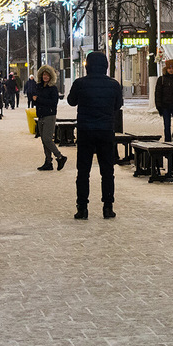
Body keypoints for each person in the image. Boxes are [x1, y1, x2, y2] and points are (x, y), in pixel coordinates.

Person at [67, 51, 123, 220]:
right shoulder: (113, 85)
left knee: (83, 172)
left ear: (88, 65)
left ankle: (82, 208)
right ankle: (108, 207)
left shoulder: (80, 83)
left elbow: (71, 101)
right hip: (106, 131)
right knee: (107, 171)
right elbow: (118, 105)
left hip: (85, 131)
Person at [34, 65, 68, 172]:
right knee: (44, 140)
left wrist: (38, 99)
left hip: (49, 115)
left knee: (47, 139)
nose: (45, 77)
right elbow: (37, 100)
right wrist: (35, 100)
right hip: (40, 115)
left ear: (51, 76)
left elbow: (53, 103)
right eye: (44, 74)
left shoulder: (53, 88)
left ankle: (60, 157)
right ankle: (48, 162)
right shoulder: (39, 86)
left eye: (47, 75)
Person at [154, 59, 173, 142]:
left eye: (172, 68)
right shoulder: (161, 79)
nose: (171, 70)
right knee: (167, 125)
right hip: (165, 106)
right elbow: (158, 93)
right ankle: (167, 140)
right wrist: (159, 106)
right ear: (166, 69)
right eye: (169, 68)